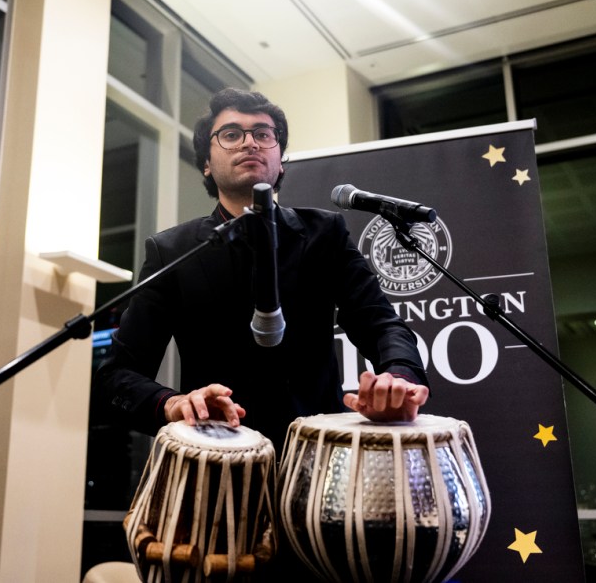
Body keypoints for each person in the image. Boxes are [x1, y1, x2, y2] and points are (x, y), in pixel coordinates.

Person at [92, 88, 429, 453]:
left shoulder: (325, 234)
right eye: (232, 134)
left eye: (263, 134)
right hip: (215, 454)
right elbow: (117, 375)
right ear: (206, 162)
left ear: (280, 160)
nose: (249, 143)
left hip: (318, 453)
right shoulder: (172, 250)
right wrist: (171, 403)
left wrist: (398, 376)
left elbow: (381, 324)